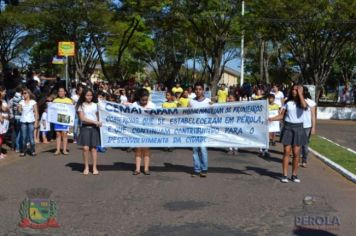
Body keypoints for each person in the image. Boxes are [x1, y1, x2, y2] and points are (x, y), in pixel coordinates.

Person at [269, 85, 308, 183]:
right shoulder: (287, 103)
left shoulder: (304, 102)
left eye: (297, 90)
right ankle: (284, 175)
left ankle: (294, 175)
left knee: (296, 153)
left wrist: (300, 93)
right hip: (288, 128)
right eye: (293, 89)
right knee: (286, 152)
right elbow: (281, 115)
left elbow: (304, 106)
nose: (295, 91)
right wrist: (271, 119)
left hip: (299, 128)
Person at [76, 88, 101, 175]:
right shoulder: (81, 106)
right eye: (87, 95)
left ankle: (94, 167)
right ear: (84, 96)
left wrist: (99, 123)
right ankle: (86, 167)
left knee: (94, 149)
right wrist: (95, 121)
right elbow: (82, 119)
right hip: (85, 128)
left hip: (94, 129)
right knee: (85, 148)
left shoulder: (96, 105)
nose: (89, 97)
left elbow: (99, 116)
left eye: (90, 95)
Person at [189, 82, 211, 177]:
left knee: (202, 149)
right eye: (196, 89)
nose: (198, 91)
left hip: (204, 128)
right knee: (195, 149)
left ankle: (204, 168)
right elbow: (186, 113)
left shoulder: (208, 101)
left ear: (203, 90)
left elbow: (214, 113)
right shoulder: (191, 101)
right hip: (193, 128)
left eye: (200, 89)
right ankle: (197, 169)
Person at [132, 88, 156, 175]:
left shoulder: (152, 105)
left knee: (146, 149)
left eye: (146, 99)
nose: (144, 101)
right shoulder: (134, 104)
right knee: (138, 149)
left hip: (148, 131)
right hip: (137, 130)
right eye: (142, 100)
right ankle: (137, 169)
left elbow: (156, 117)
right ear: (139, 98)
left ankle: (146, 168)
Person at [53, 87, 73, 155]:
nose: (60, 93)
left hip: (65, 119)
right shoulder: (55, 100)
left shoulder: (69, 100)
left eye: (62, 91)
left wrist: (71, 123)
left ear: (65, 92)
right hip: (57, 119)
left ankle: (64, 150)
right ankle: (58, 150)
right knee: (58, 134)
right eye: (59, 91)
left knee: (64, 134)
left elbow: (71, 111)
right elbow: (52, 110)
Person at [18, 89, 39, 156]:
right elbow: (20, 111)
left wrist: (36, 122)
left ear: (29, 94)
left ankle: (32, 151)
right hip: (23, 120)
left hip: (31, 120)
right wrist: (19, 108)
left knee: (31, 137)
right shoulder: (21, 102)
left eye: (25, 93)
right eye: (23, 93)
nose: (24, 94)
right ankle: (23, 151)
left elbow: (36, 112)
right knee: (23, 137)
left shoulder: (33, 102)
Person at [301, 87, 316, 167]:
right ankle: (297, 158)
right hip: (297, 125)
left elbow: (313, 116)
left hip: (307, 126)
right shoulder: (296, 101)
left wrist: (313, 128)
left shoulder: (311, 102)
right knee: (296, 144)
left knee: (305, 144)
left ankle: (304, 159)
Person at [9, 85, 23, 152]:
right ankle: (19, 147)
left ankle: (15, 147)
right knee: (20, 132)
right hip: (20, 116)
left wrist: (11, 115)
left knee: (15, 132)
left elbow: (9, 107)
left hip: (14, 117)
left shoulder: (12, 98)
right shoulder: (21, 98)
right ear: (21, 91)